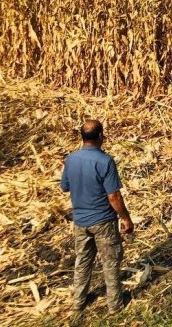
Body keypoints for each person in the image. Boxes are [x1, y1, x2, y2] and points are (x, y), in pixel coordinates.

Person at [61, 119, 134, 315]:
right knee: (110, 262)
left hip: (80, 221)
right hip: (103, 221)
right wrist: (126, 219)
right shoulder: (105, 161)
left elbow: (65, 186)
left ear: (82, 137)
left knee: (83, 261)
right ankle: (115, 305)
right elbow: (114, 196)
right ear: (101, 135)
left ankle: (79, 302)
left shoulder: (71, 159)